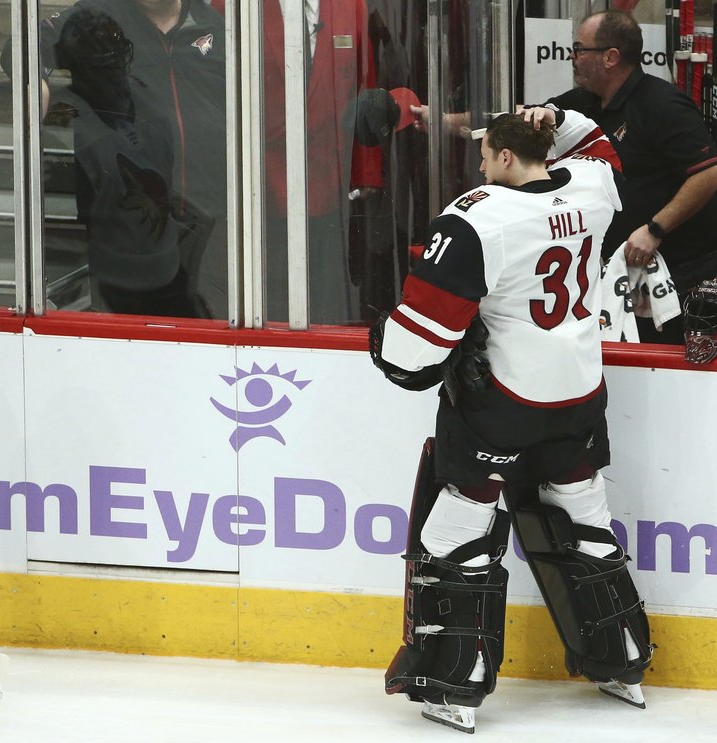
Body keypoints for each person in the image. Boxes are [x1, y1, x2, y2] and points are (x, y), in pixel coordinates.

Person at [372, 107, 652, 734]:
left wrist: (381, 344)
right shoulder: (593, 188)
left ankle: (456, 682)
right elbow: (599, 140)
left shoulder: (477, 216)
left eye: (483, 155)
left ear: (501, 157)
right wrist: (558, 114)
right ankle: (623, 662)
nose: (478, 166)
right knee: (586, 523)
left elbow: (414, 352)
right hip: (580, 395)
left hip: (505, 404)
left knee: (456, 537)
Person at [1, 0, 227, 317]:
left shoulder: (211, 22)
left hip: (210, 218)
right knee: (129, 339)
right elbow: (22, 42)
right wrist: (33, 81)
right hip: (127, 224)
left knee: (206, 336)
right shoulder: (98, 14)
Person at [547, 9, 717, 344]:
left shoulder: (662, 104)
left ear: (611, 57)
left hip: (690, 279)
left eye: (579, 49)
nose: (572, 57)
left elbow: (710, 174)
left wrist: (655, 229)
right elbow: (524, 122)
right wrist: (446, 120)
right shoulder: (585, 103)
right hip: (626, 279)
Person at [52, 5, 202, 316]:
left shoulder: (73, 119)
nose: (111, 71)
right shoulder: (77, 119)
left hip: (140, 267)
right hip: (131, 270)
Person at [260, 0, 382, 325]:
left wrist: (365, 167)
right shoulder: (238, 6)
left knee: (322, 288)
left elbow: (363, 85)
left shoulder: (350, 6)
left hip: (327, 175)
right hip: (259, 179)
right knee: (267, 293)